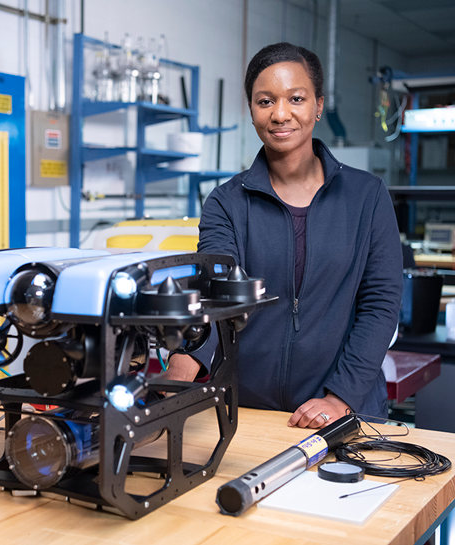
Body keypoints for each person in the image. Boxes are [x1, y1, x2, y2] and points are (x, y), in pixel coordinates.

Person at [165, 42, 403, 429]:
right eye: (265, 101)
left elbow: (380, 305)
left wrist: (339, 397)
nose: (280, 114)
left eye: (296, 98)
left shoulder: (367, 196)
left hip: (345, 409)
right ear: (251, 109)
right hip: (249, 413)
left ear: (318, 105)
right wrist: (185, 358)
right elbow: (216, 294)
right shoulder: (227, 202)